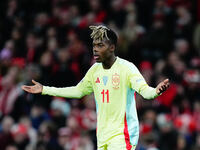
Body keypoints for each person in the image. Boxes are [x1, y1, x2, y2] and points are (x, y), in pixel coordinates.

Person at [21, 25, 170, 150]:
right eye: (94, 45)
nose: (95, 50)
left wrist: (156, 91)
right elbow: (78, 91)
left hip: (123, 134)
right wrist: (45, 89)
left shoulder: (127, 68)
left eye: (100, 45)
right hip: (102, 135)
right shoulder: (94, 70)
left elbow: (145, 91)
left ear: (112, 47)